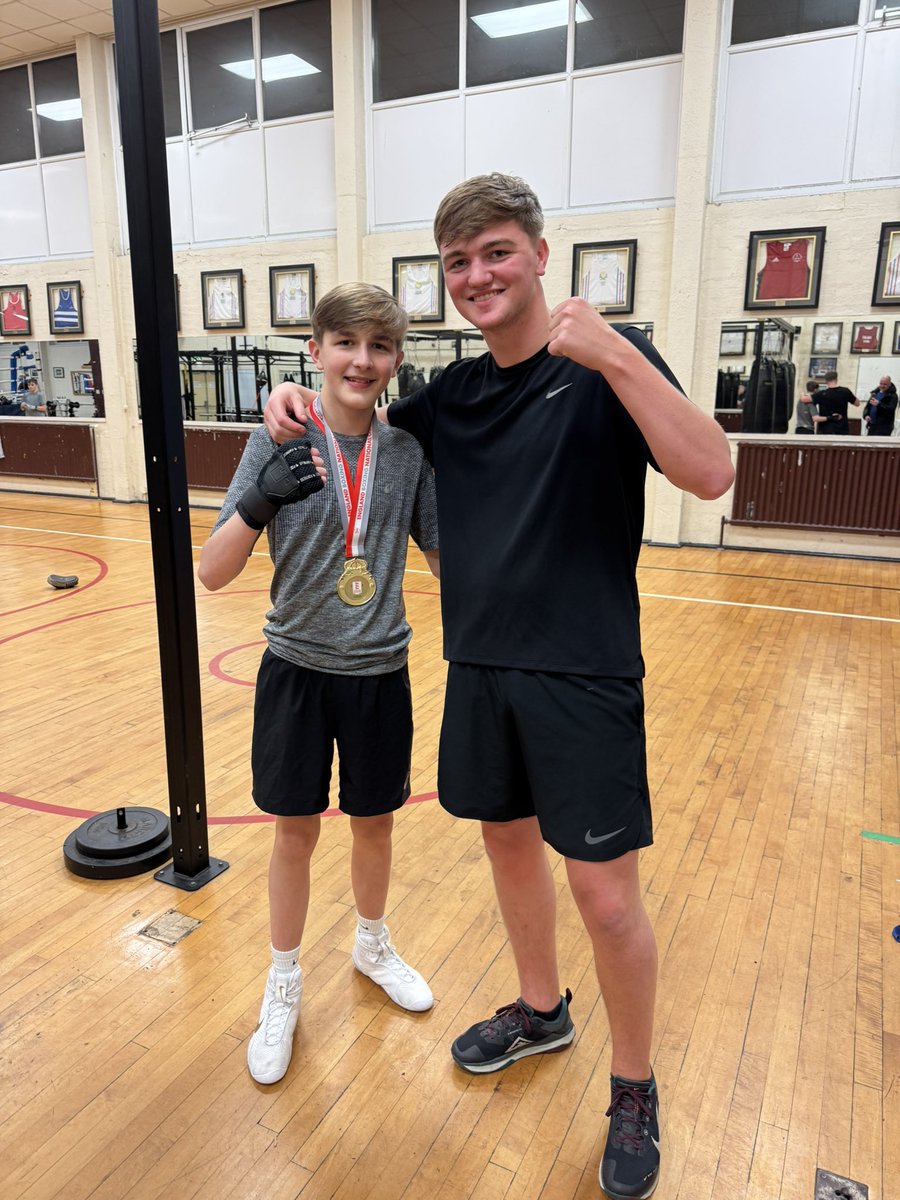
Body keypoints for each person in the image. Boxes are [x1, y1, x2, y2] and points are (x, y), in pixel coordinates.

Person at [263, 174, 734, 1200]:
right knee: (507, 847)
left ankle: (634, 1085)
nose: (478, 275)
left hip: (586, 673)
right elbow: (358, 412)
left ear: (538, 255)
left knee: (608, 899)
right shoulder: (451, 400)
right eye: (459, 262)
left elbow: (711, 471)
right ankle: (540, 1006)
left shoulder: (608, 362)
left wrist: (612, 351)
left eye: (497, 253)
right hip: (479, 670)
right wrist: (290, 399)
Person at [199, 283, 440, 1087]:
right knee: (293, 833)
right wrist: (261, 498)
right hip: (295, 670)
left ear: (395, 361)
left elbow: (445, 560)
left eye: (378, 348)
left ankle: (371, 946)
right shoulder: (275, 439)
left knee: (374, 827)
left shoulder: (406, 455)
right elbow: (212, 570)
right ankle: (284, 980)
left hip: (380, 673)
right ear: (317, 350)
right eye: (347, 344)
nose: (361, 361)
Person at [814, 370, 860, 434]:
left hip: (825, 429)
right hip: (842, 429)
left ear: (826, 381)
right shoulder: (845, 391)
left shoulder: (821, 394)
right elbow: (857, 403)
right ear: (836, 379)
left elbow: (805, 400)